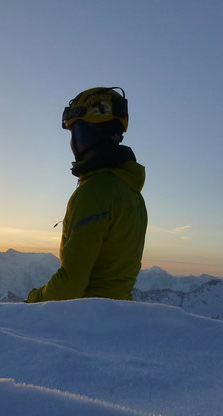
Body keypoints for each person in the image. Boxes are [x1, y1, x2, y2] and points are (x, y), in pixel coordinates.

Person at [26, 86, 147, 303]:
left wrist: (33, 300)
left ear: (91, 135)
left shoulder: (94, 192)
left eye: (77, 132)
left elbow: (69, 286)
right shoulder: (132, 194)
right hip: (121, 314)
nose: (73, 143)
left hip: (87, 321)